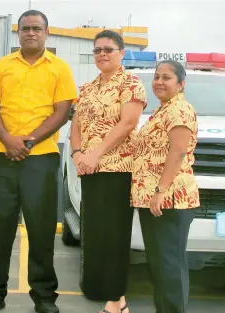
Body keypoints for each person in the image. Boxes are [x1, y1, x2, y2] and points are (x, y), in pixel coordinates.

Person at [0, 10, 77, 313]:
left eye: (37, 29)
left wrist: (28, 141)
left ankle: (44, 297)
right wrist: (8, 140)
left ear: (47, 33)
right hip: (1, 156)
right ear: (18, 33)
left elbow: (61, 112)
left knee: (42, 229)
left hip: (40, 158)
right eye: (26, 29)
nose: (31, 33)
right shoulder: (2, 66)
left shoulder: (59, 68)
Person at [69, 30, 147, 313]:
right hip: (89, 170)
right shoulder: (87, 88)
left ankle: (117, 302)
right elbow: (76, 124)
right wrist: (78, 154)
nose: (102, 54)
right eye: (98, 50)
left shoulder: (131, 84)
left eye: (109, 49)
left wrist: (95, 154)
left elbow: (127, 124)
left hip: (118, 170)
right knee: (96, 235)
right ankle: (103, 292)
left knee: (114, 236)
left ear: (122, 53)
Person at [131, 60, 199, 313]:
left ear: (181, 84)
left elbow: (178, 151)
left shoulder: (179, 110)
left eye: (167, 78)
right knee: (159, 263)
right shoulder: (163, 110)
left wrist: (160, 191)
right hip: (154, 198)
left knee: (169, 264)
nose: (159, 82)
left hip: (171, 199)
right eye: (157, 77)